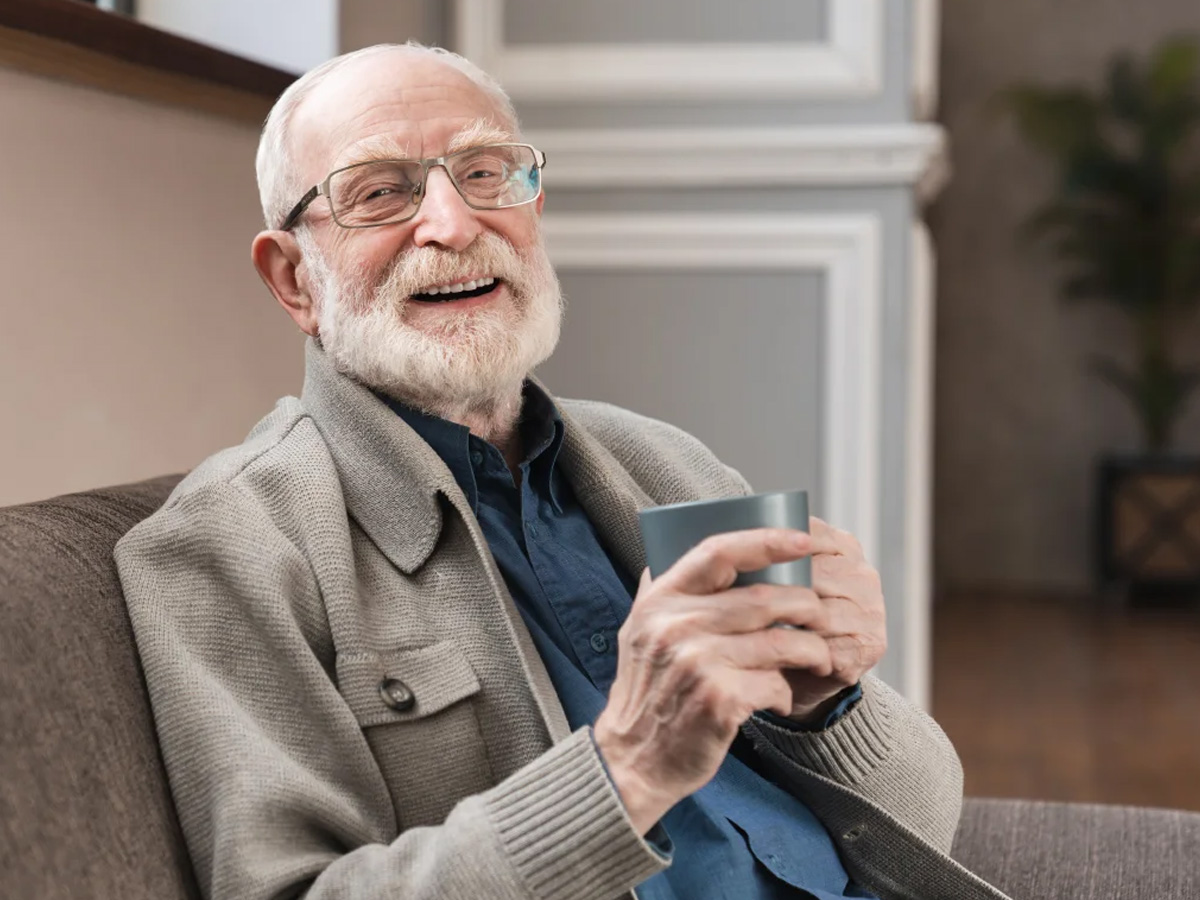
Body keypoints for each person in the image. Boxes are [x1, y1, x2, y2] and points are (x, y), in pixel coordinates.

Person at [115, 42, 1007, 900]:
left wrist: (827, 708)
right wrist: (626, 773)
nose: (454, 224)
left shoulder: (666, 461)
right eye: (380, 192)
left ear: (533, 208)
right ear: (292, 280)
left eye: (484, 173)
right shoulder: (222, 549)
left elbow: (925, 827)